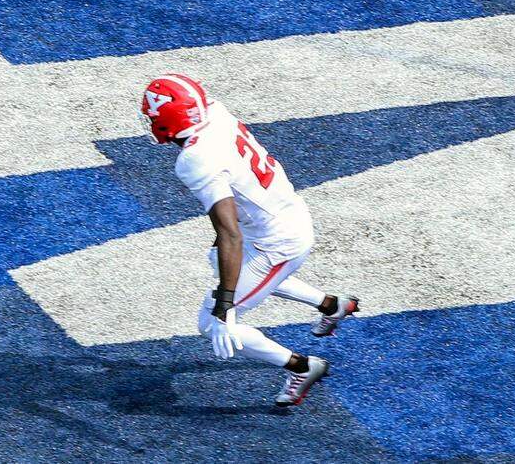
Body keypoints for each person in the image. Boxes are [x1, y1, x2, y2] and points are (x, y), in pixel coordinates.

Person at [139, 73, 359, 407]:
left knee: (211, 324)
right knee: (221, 263)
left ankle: (302, 367)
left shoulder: (194, 160)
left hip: (277, 241)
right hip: (282, 212)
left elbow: (230, 234)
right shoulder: (216, 113)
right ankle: (332, 305)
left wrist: (224, 307)